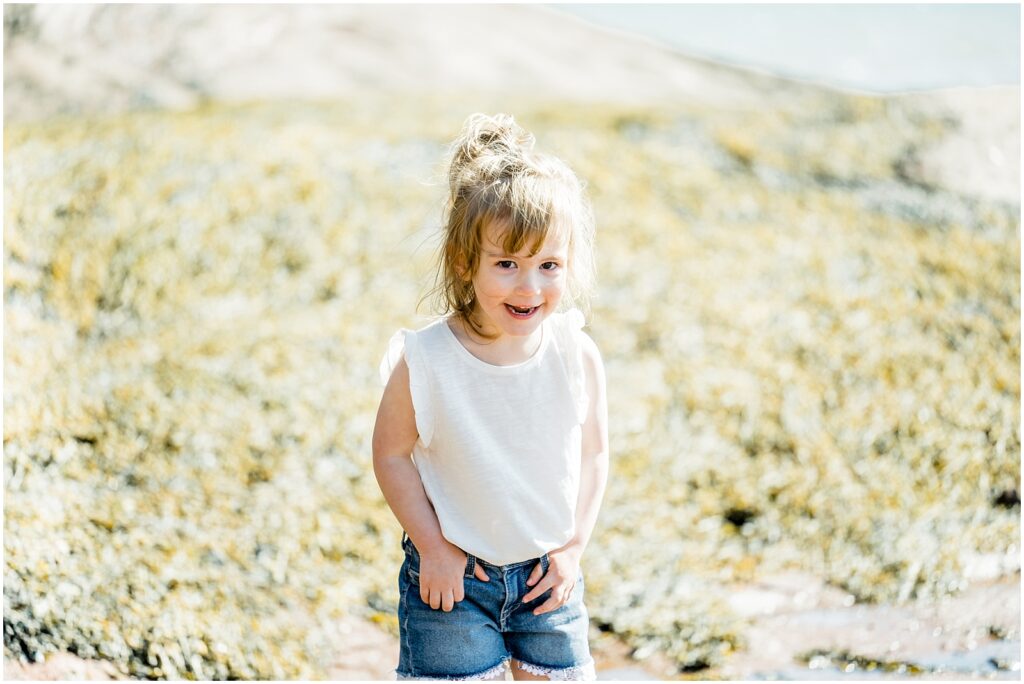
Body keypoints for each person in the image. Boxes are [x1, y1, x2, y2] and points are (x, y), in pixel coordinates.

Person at [372, 113, 609, 681]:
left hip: (546, 579)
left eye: (548, 266)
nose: (529, 287)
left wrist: (573, 548)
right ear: (464, 261)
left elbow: (593, 454)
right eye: (507, 265)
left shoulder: (576, 354)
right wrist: (432, 546)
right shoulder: (425, 360)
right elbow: (390, 454)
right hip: (454, 578)